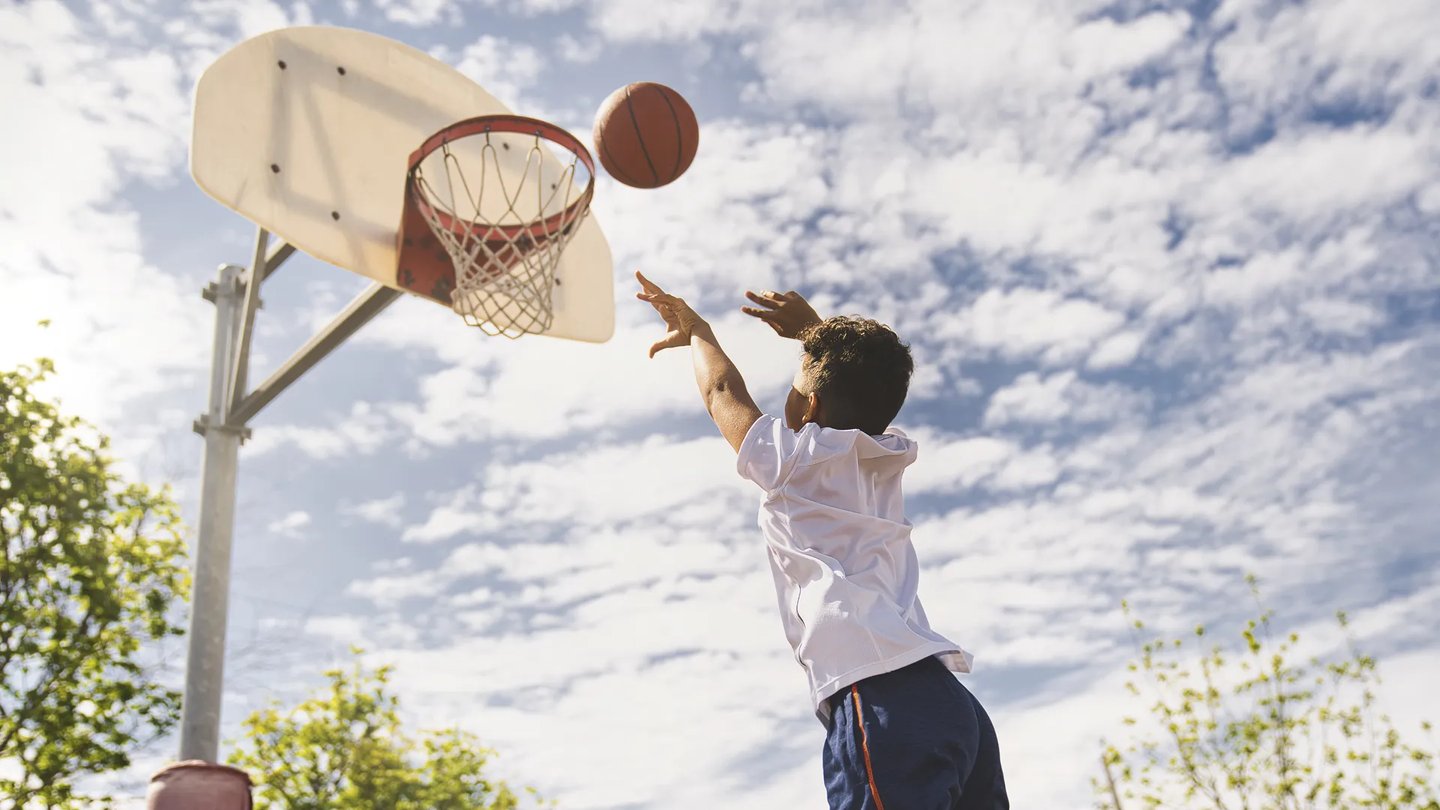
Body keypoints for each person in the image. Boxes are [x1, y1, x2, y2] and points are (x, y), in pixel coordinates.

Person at [635, 272, 1009, 809]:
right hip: (954, 707)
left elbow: (723, 393)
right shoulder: (889, 453)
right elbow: (861, 380)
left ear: (808, 408)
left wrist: (698, 330)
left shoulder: (792, 463)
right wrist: (817, 334)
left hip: (882, 698)